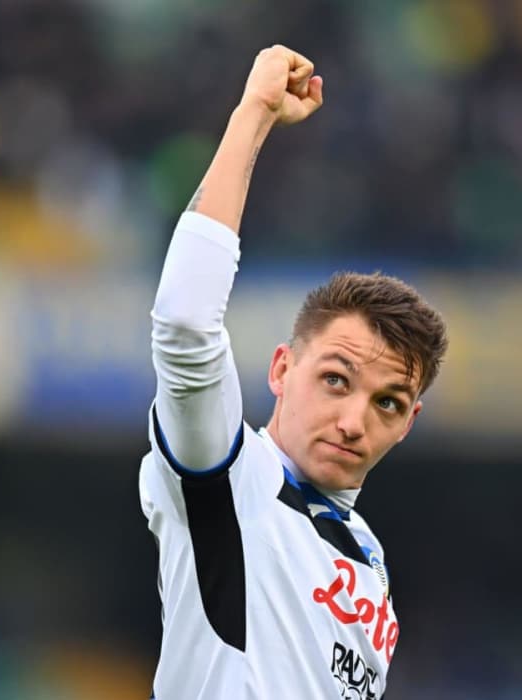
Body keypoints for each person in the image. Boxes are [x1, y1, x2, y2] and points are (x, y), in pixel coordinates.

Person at [139, 45, 448, 699]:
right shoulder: (229, 481)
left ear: (408, 423)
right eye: (336, 379)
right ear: (282, 368)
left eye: (388, 403)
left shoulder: (367, 559)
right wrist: (253, 115)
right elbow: (185, 324)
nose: (354, 421)